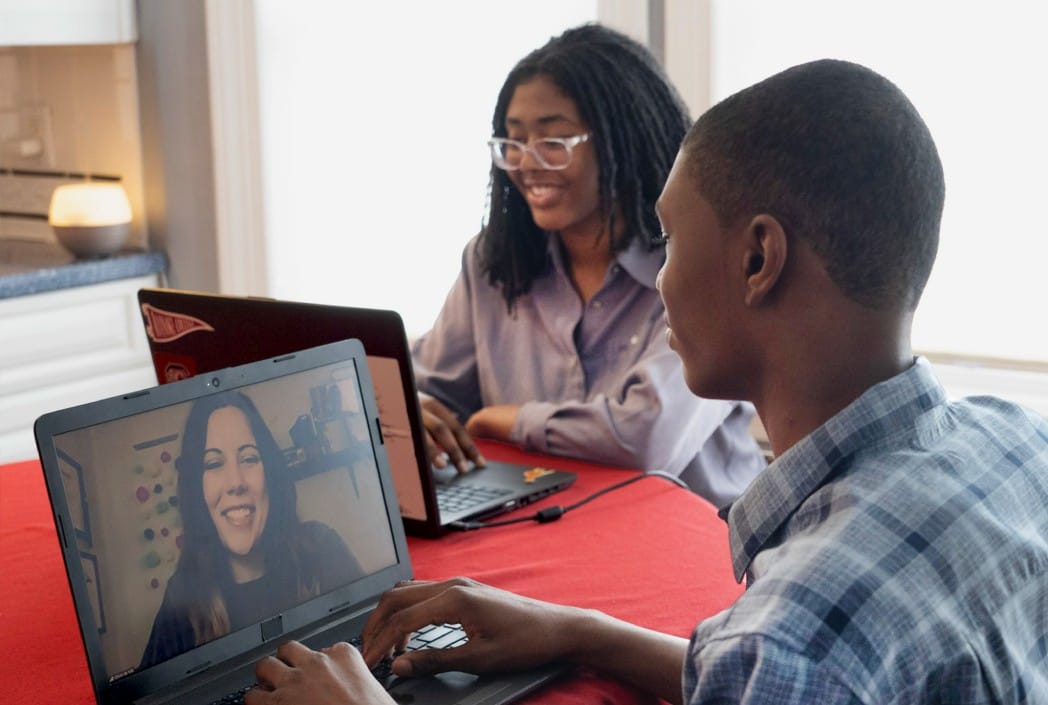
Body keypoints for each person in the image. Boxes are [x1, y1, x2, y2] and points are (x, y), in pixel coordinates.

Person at [243, 58, 1048, 704]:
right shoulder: (1018, 441)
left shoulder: (799, 636)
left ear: (758, 259)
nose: (657, 276)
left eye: (669, 235)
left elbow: (784, 660)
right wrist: (579, 630)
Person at [411, 23, 766, 508]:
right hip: (543, 530)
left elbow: (648, 439)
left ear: (625, 142)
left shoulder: (701, 269)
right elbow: (432, 393)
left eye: (554, 142)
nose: (527, 164)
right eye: (513, 143)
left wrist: (508, 420)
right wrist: (416, 410)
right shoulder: (491, 264)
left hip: (695, 545)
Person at [139, 390, 364, 670]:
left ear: (269, 471)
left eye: (249, 458)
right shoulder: (182, 594)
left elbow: (374, 634)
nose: (236, 482)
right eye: (213, 464)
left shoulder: (321, 545)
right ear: (197, 487)